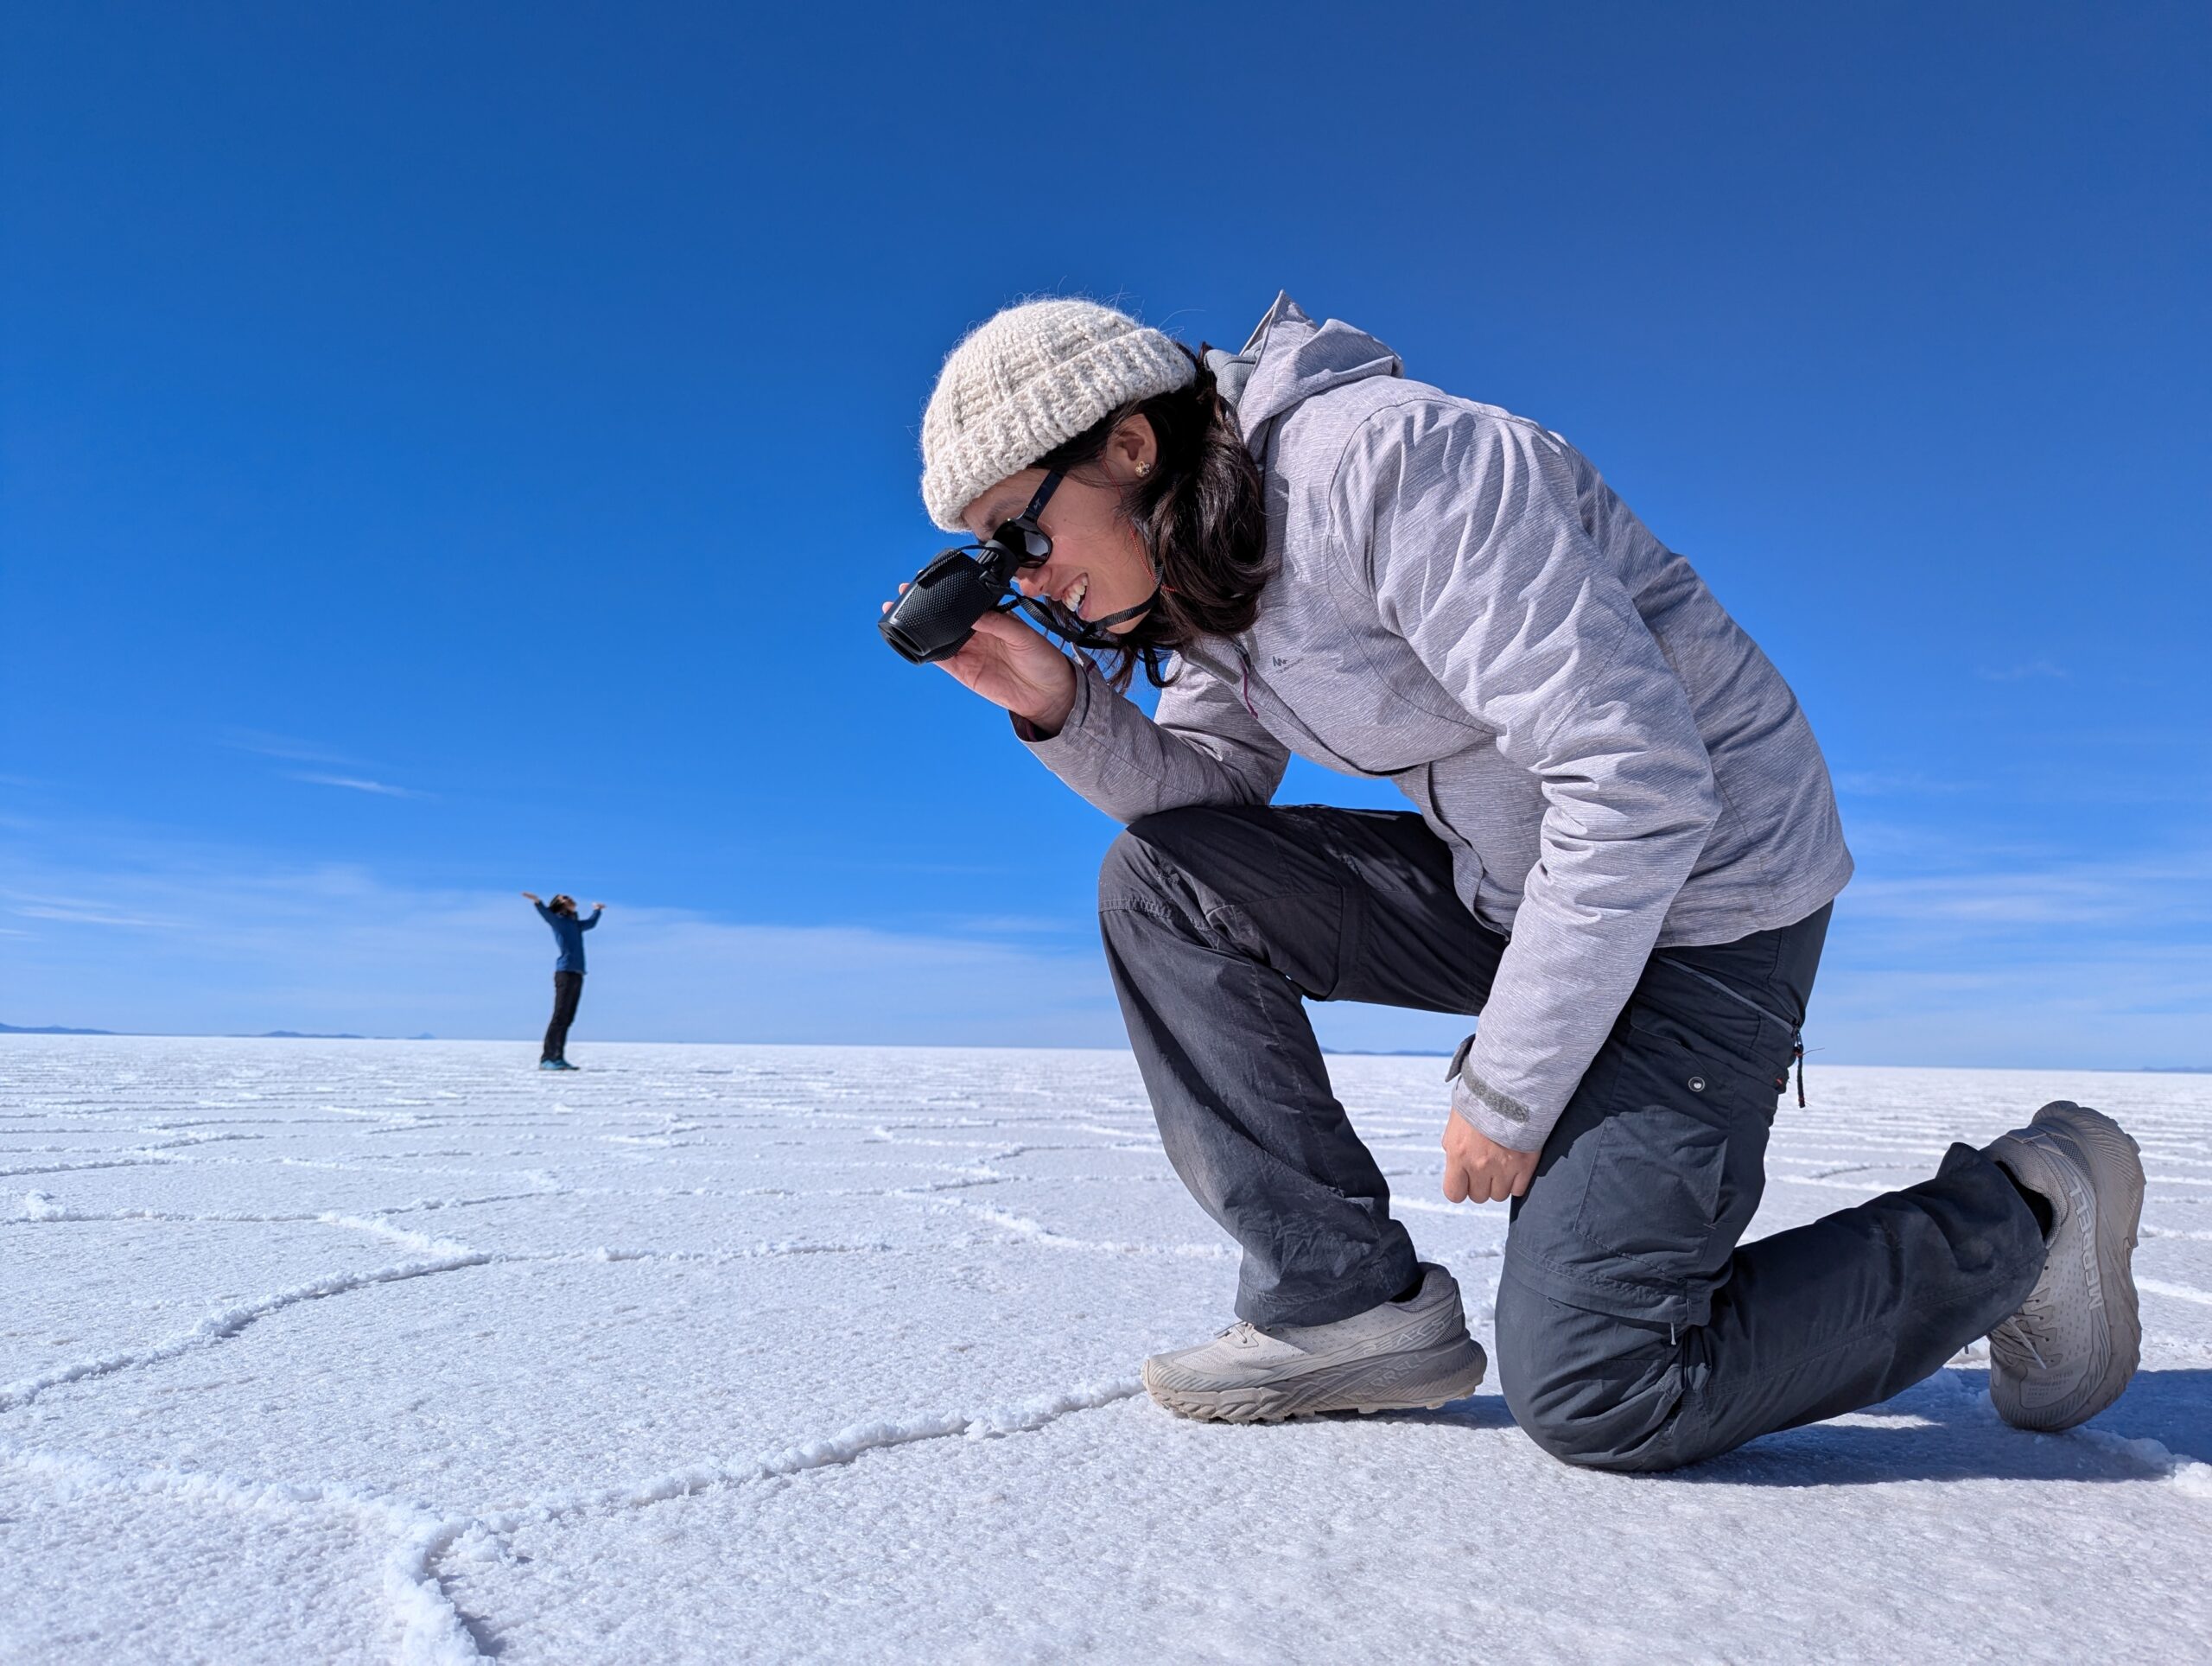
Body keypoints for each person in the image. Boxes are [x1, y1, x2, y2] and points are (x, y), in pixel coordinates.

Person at [891, 294, 2145, 1470]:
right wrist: (1061, 707)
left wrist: (1509, 1091)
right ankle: (1342, 1306)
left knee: (1605, 1386)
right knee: (1160, 882)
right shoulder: (1206, 572)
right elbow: (1215, 809)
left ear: (1126, 446)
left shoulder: (1387, 466)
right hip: (1521, 887)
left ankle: (2022, 1221)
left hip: (1708, 901)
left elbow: (1636, 783)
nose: (1031, 579)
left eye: (1024, 536)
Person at [521, 892, 604, 1071]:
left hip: (578, 973)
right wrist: (538, 902)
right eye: (564, 898)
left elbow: (591, 924)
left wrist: (597, 911)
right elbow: (546, 915)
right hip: (565, 972)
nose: (570, 899)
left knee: (568, 1018)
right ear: (559, 905)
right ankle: (547, 1058)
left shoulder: (575, 924)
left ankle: (558, 1057)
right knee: (559, 1016)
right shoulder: (558, 921)